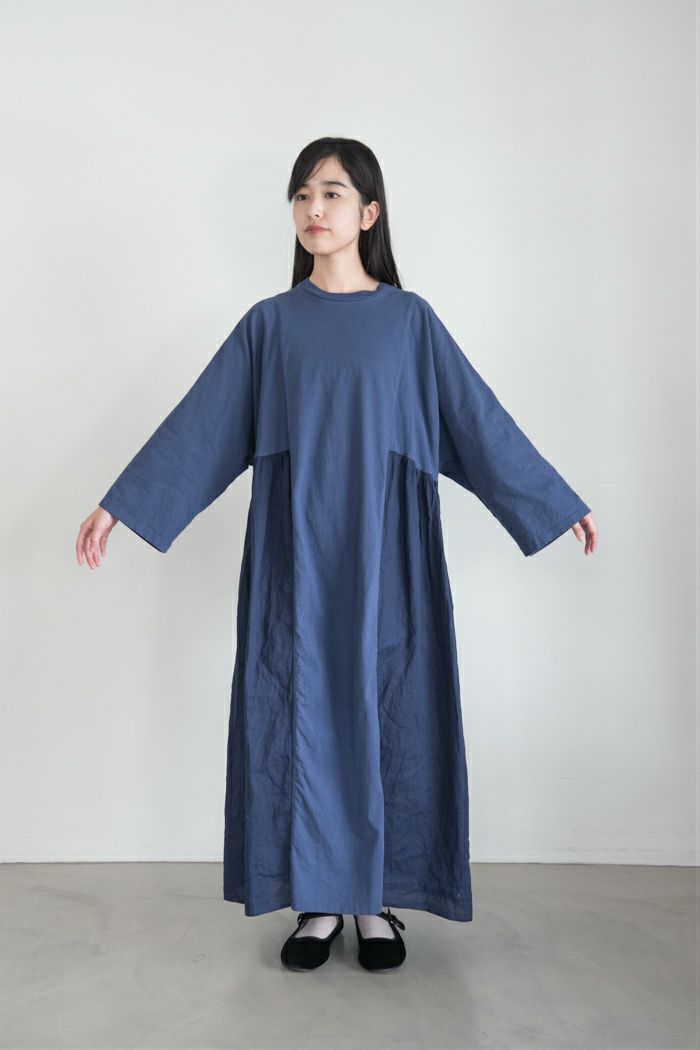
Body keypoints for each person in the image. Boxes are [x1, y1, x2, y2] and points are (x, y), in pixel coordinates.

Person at [77, 137, 597, 974]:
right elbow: (201, 426)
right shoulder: (271, 325)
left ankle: (374, 900)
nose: (313, 209)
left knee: (393, 708)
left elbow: (477, 421)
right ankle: (317, 901)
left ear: (369, 213)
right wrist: (122, 502)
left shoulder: (410, 321)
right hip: (296, 557)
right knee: (297, 711)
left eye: (332, 193)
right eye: (302, 195)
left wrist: (552, 501)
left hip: (391, 558)